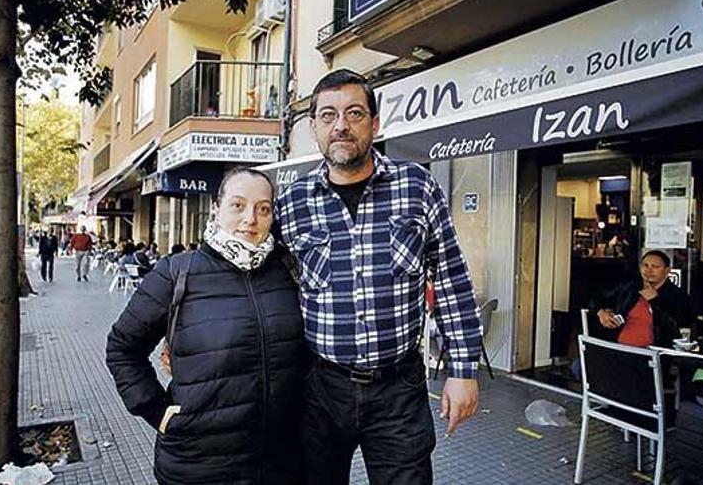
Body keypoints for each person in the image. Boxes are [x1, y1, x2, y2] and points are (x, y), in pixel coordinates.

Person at [274, 69, 483, 485]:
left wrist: (463, 369)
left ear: (374, 122)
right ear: (314, 127)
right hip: (319, 387)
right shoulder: (291, 202)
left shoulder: (417, 186)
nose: (341, 126)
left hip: (398, 389)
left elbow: (451, 277)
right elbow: (261, 283)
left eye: (354, 113)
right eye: (328, 115)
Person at [106, 168, 305, 484]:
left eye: (263, 208)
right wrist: (156, 411)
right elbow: (122, 348)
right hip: (198, 465)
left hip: (281, 463)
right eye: (237, 205)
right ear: (216, 207)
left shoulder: (287, 273)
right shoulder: (177, 273)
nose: (250, 219)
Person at [592, 249, 694, 348]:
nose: (649, 270)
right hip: (617, 345)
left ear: (667, 271)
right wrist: (601, 312)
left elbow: (679, 325)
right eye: (645, 265)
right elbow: (596, 298)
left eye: (655, 267)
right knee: (580, 363)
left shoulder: (677, 295)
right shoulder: (630, 288)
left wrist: (655, 300)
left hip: (652, 352)